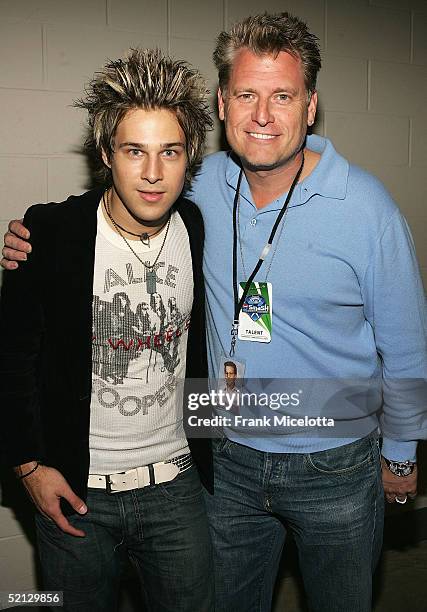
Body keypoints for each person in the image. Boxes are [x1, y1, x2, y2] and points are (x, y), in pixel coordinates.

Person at [2, 11, 427, 612]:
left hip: (334, 463)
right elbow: (122, 190)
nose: (262, 114)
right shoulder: (201, 188)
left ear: (310, 106)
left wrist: (402, 457)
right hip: (222, 459)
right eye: (247, 94)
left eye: (283, 95)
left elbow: (407, 346)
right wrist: (35, 236)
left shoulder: (366, 208)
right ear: (223, 104)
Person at [0, 48, 214, 612]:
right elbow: (12, 358)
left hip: (177, 487)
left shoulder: (195, 225)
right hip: (77, 494)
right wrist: (28, 468)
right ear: (105, 155)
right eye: (134, 151)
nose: (152, 172)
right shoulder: (50, 232)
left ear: (189, 156)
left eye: (169, 152)